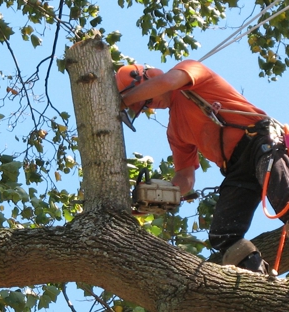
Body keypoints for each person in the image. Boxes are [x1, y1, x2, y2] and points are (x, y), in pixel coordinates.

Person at [115, 59, 289, 275]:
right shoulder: (175, 130)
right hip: (236, 169)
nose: (150, 104)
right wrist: (157, 199)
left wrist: (123, 100)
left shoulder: (188, 72)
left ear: (147, 78)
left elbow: (169, 81)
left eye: (145, 98)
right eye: (145, 105)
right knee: (224, 234)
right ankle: (261, 288)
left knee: (284, 200)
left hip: (259, 142)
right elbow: (185, 177)